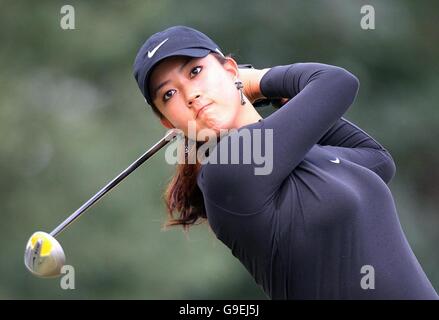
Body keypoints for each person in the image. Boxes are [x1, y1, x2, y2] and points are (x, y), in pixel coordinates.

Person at [133, 25, 438, 299]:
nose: (190, 94)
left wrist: (274, 97)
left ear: (229, 69)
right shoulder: (226, 169)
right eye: (169, 93)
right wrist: (261, 82)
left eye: (195, 71)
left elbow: (378, 161)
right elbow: (336, 82)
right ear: (167, 122)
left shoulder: (302, 156)